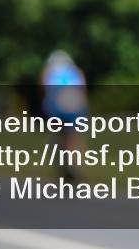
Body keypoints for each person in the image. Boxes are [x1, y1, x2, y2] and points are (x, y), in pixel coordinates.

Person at [41, 50, 89, 181]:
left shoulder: (49, 72)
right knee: (75, 137)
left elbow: (45, 90)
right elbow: (82, 92)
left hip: (56, 107)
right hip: (75, 106)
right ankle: (76, 166)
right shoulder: (76, 72)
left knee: (59, 135)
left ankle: (62, 163)